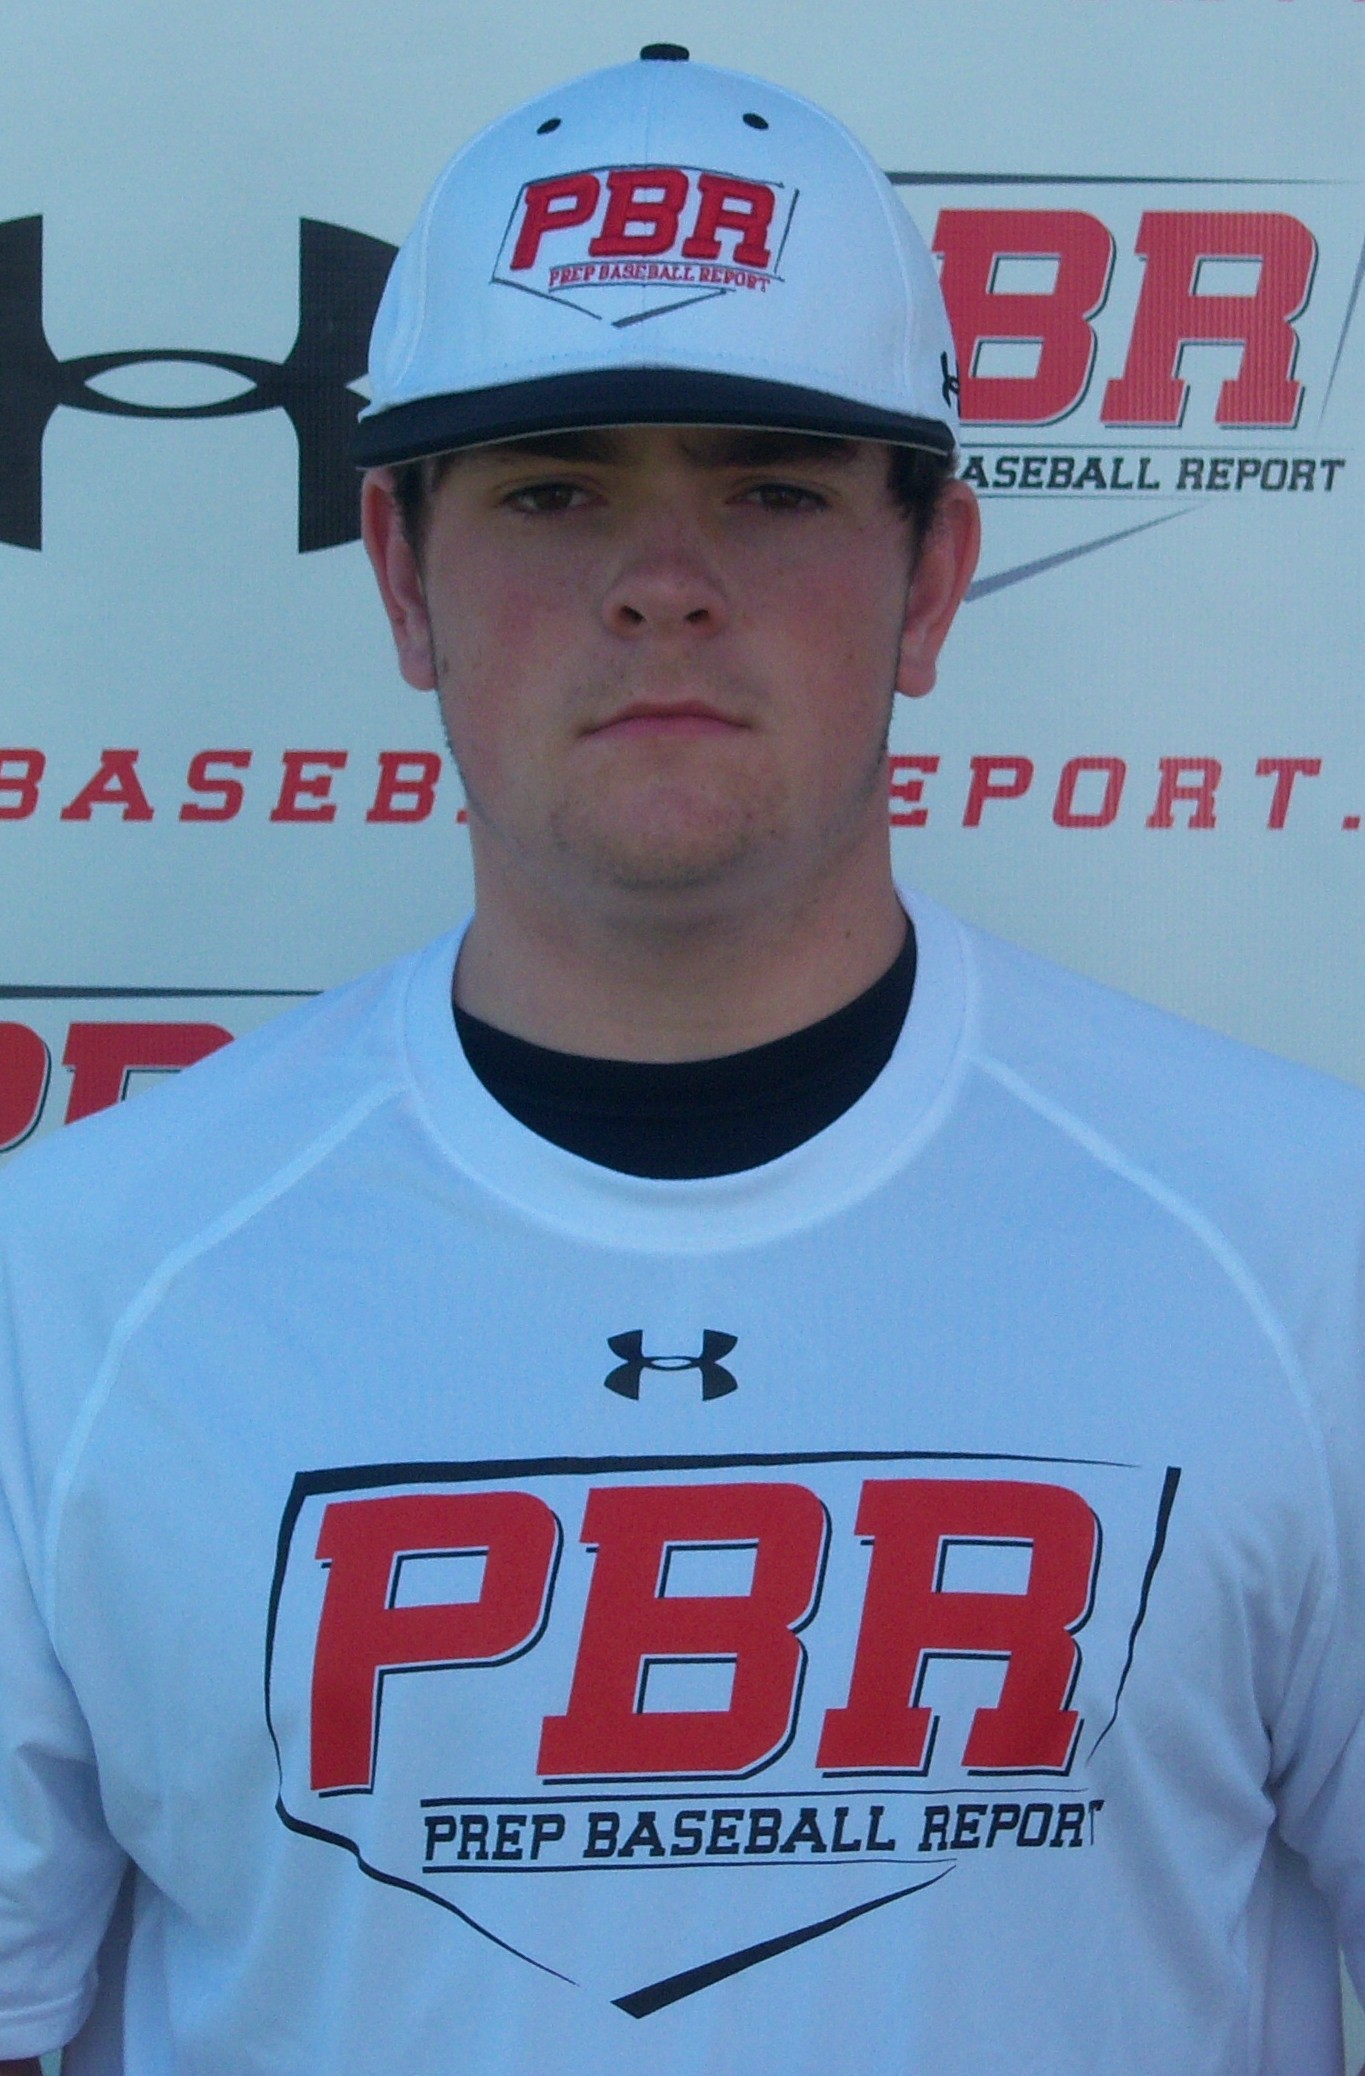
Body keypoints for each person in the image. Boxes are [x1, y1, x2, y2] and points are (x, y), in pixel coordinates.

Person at [1, 46, 1363, 2076]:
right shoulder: (68, 1284)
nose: (661, 584)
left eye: (770, 487)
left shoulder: (1308, 1248)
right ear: (401, 576)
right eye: (553, 491)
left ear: (930, 579)